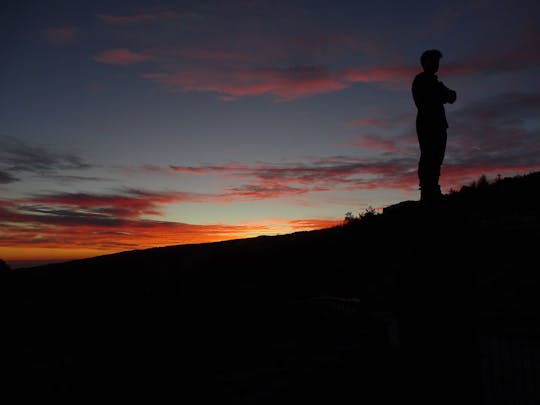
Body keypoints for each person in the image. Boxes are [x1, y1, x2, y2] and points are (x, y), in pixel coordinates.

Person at [412, 49, 456, 202]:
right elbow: (431, 98)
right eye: (433, 61)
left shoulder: (435, 82)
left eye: (437, 61)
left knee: (437, 157)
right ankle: (427, 190)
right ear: (425, 63)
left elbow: (452, 96)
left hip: (439, 124)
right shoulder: (421, 80)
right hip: (426, 123)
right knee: (428, 156)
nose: (436, 64)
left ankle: (433, 188)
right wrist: (440, 94)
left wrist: (441, 94)